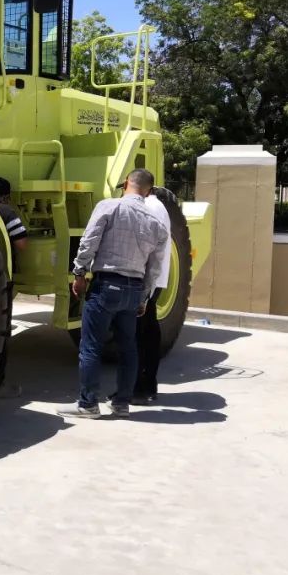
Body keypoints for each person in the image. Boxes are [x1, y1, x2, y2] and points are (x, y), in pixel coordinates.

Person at [58, 168, 168, 419]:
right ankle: (121, 404)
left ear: (127, 183)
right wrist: (144, 297)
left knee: (91, 346)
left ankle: (88, 404)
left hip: (106, 285)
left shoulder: (109, 207)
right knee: (128, 348)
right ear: (149, 191)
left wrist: (79, 273)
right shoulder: (156, 224)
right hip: (133, 289)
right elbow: (155, 267)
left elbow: (89, 240)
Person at [0, 177, 28, 398]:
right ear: (6, 195)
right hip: (1, 276)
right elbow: (21, 243)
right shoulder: (7, 212)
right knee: (1, 330)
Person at [133, 186, 175, 404]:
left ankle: (141, 388)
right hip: (154, 278)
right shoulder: (158, 207)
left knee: (139, 336)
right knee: (148, 331)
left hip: (146, 280)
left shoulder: (149, 207)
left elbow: (146, 245)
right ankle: (145, 386)